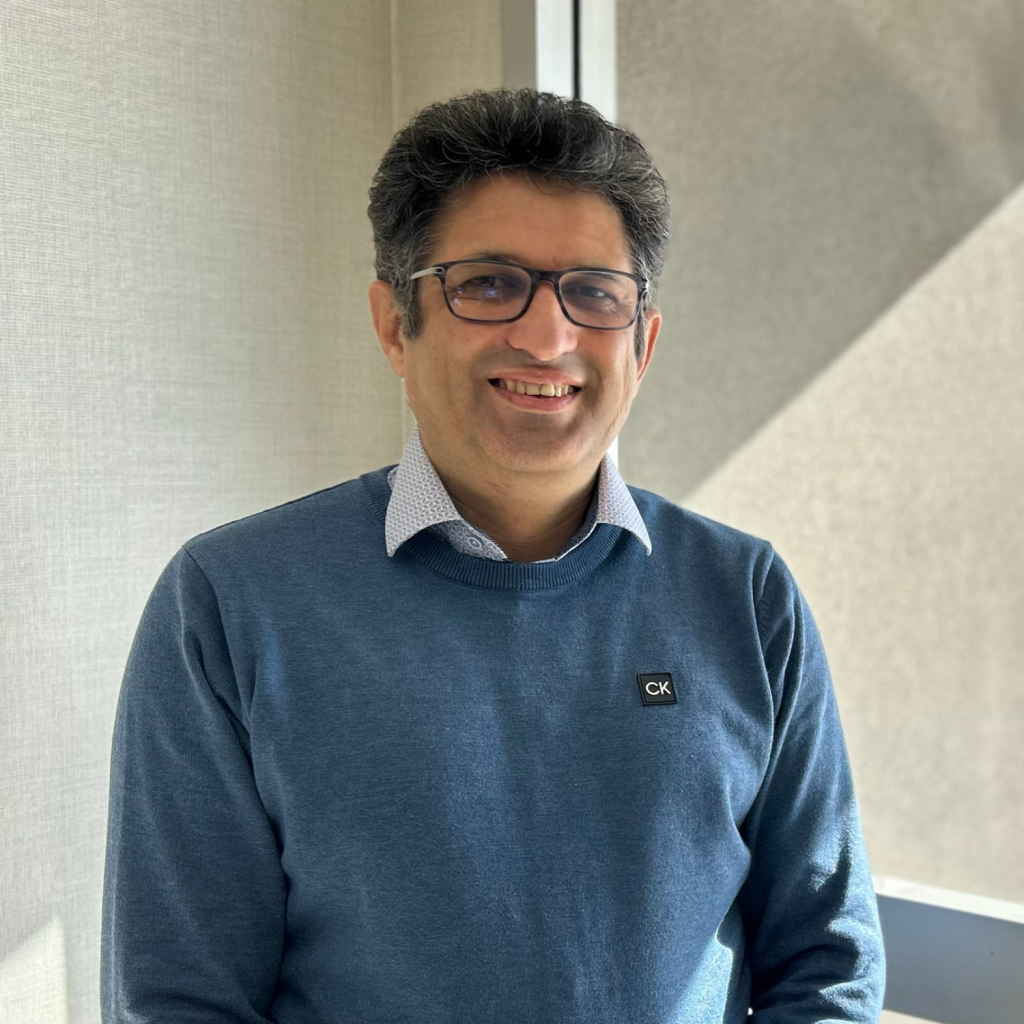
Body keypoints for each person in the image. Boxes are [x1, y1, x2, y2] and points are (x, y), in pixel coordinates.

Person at [102, 89, 885, 1023]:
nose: (548, 338)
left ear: (643, 344)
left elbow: (829, 962)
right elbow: (180, 997)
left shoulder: (746, 597)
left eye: (595, 293)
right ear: (395, 324)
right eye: (486, 283)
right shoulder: (229, 604)